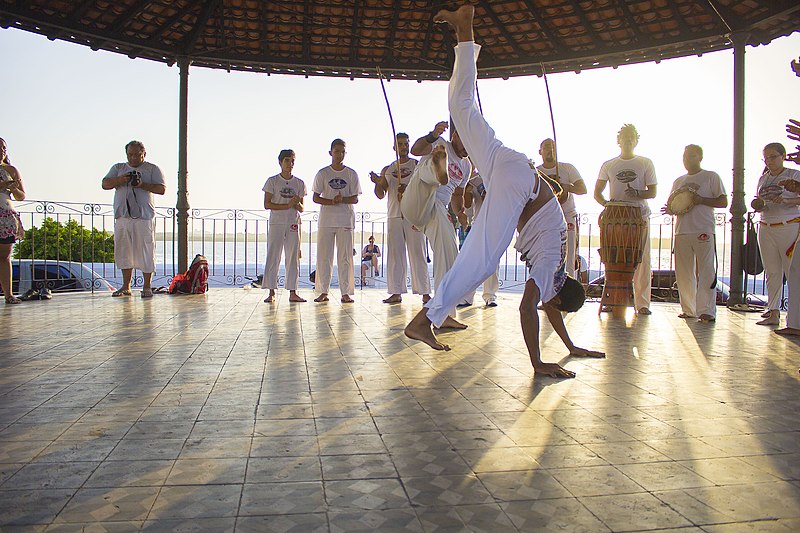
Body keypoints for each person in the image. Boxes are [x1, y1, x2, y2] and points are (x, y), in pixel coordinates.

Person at [405, 5, 604, 377]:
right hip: (516, 186)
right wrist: (538, 363)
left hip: (509, 164)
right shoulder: (549, 268)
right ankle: (425, 319)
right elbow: (529, 308)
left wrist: (571, 347)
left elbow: (548, 308)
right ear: (557, 296)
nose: (548, 304)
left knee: (461, 108)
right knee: (481, 260)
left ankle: (465, 29)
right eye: (554, 304)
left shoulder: (557, 271)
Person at [401, 119, 471, 317]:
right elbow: (416, 150)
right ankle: (436, 170)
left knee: (449, 253)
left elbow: (458, 195)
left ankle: (444, 313)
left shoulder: (466, 166)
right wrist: (432, 135)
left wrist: (460, 212)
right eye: (467, 142)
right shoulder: (441, 143)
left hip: (437, 209)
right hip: (416, 199)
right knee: (426, 173)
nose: (469, 149)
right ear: (456, 136)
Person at [594, 124, 658, 315]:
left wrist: (637, 193)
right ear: (618, 140)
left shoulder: (646, 163)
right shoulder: (609, 164)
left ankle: (643, 304)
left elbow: (653, 192)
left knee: (642, 261)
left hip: (639, 216)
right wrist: (607, 205)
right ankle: (614, 300)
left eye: (631, 137)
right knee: (613, 258)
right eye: (624, 137)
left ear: (636, 140)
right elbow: (597, 192)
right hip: (616, 218)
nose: (628, 140)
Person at [662, 145, 727, 322]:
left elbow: (723, 201)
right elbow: (674, 204)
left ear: (700, 157)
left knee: (706, 270)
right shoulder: (678, 181)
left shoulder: (711, 176)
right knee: (683, 272)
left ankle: (706, 311)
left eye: (691, 155)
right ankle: (689, 309)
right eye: (684, 156)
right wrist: (670, 210)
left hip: (703, 229)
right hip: (682, 230)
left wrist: (700, 200)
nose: (687, 159)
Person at [369, 133, 430, 303]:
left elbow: (425, 188)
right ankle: (396, 292)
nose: (403, 147)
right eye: (400, 144)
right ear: (394, 147)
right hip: (395, 215)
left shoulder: (417, 165)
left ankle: (425, 292)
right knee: (395, 255)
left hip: (413, 215)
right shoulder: (388, 169)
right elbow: (380, 194)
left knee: (418, 253)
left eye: (405, 144)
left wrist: (409, 189)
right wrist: (378, 182)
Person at [102, 140, 166, 298]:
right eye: (130, 155)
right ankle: (126, 286)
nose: (133, 158)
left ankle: (147, 286)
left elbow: (162, 189)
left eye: (137, 155)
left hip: (144, 217)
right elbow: (105, 184)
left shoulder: (152, 169)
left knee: (146, 250)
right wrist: (120, 180)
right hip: (123, 216)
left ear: (144, 154)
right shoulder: (118, 168)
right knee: (124, 251)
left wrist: (142, 185)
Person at [750, 142, 800, 326]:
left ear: (783, 156)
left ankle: (795, 316)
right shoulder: (764, 179)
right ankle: (773, 311)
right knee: (772, 271)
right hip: (766, 225)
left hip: (788, 225)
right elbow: (761, 200)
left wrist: (787, 199)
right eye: (766, 158)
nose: (769, 161)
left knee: (792, 270)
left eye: (772, 157)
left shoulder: (793, 175)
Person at [312, 138, 361, 303]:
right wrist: (331, 201)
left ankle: (345, 292)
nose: (339, 154)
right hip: (327, 221)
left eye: (342, 152)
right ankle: (322, 291)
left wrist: (342, 200)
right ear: (330, 152)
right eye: (336, 151)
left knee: (345, 257)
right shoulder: (323, 173)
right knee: (324, 257)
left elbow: (355, 199)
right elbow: (315, 197)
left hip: (345, 221)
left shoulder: (351, 174)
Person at [536, 138, 587, 279]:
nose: (550, 149)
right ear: (540, 151)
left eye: (553, 146)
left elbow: (582, 189)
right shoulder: (537, 172)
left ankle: (568, 289)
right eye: (546, 147)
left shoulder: (567, 168)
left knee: (569, 255)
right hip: (546, 218)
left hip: (567, 215)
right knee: (546, 255)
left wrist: (565, 187)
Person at [262, 149, 306, 304]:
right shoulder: (272, 181)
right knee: (274, 255)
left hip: (293, 223)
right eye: (287, 160)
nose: (290, 164)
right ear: (280, 162)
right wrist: (287, 205)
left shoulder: (299, 183)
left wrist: (296, 203)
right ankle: (271, 291)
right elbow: (267, 204)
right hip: (277, 222)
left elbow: (301, 208)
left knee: (293, 257)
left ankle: (293, 291)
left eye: (292, 160)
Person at [460, 168, 499, 307]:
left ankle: (490, 295)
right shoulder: (474, 181)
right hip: (478, 224)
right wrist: (467, 192)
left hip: (495, 224)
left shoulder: (499, 178)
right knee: (473, 261)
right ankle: (467, 296)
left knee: (492, 261)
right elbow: (467, 206)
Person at [0, 138, 26, 304]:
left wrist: (13, 187)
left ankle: (9, 294)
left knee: (5, 256)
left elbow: (21, 196)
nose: (1, 150)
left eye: (3, 147)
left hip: (5, 215)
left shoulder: (11, 170)